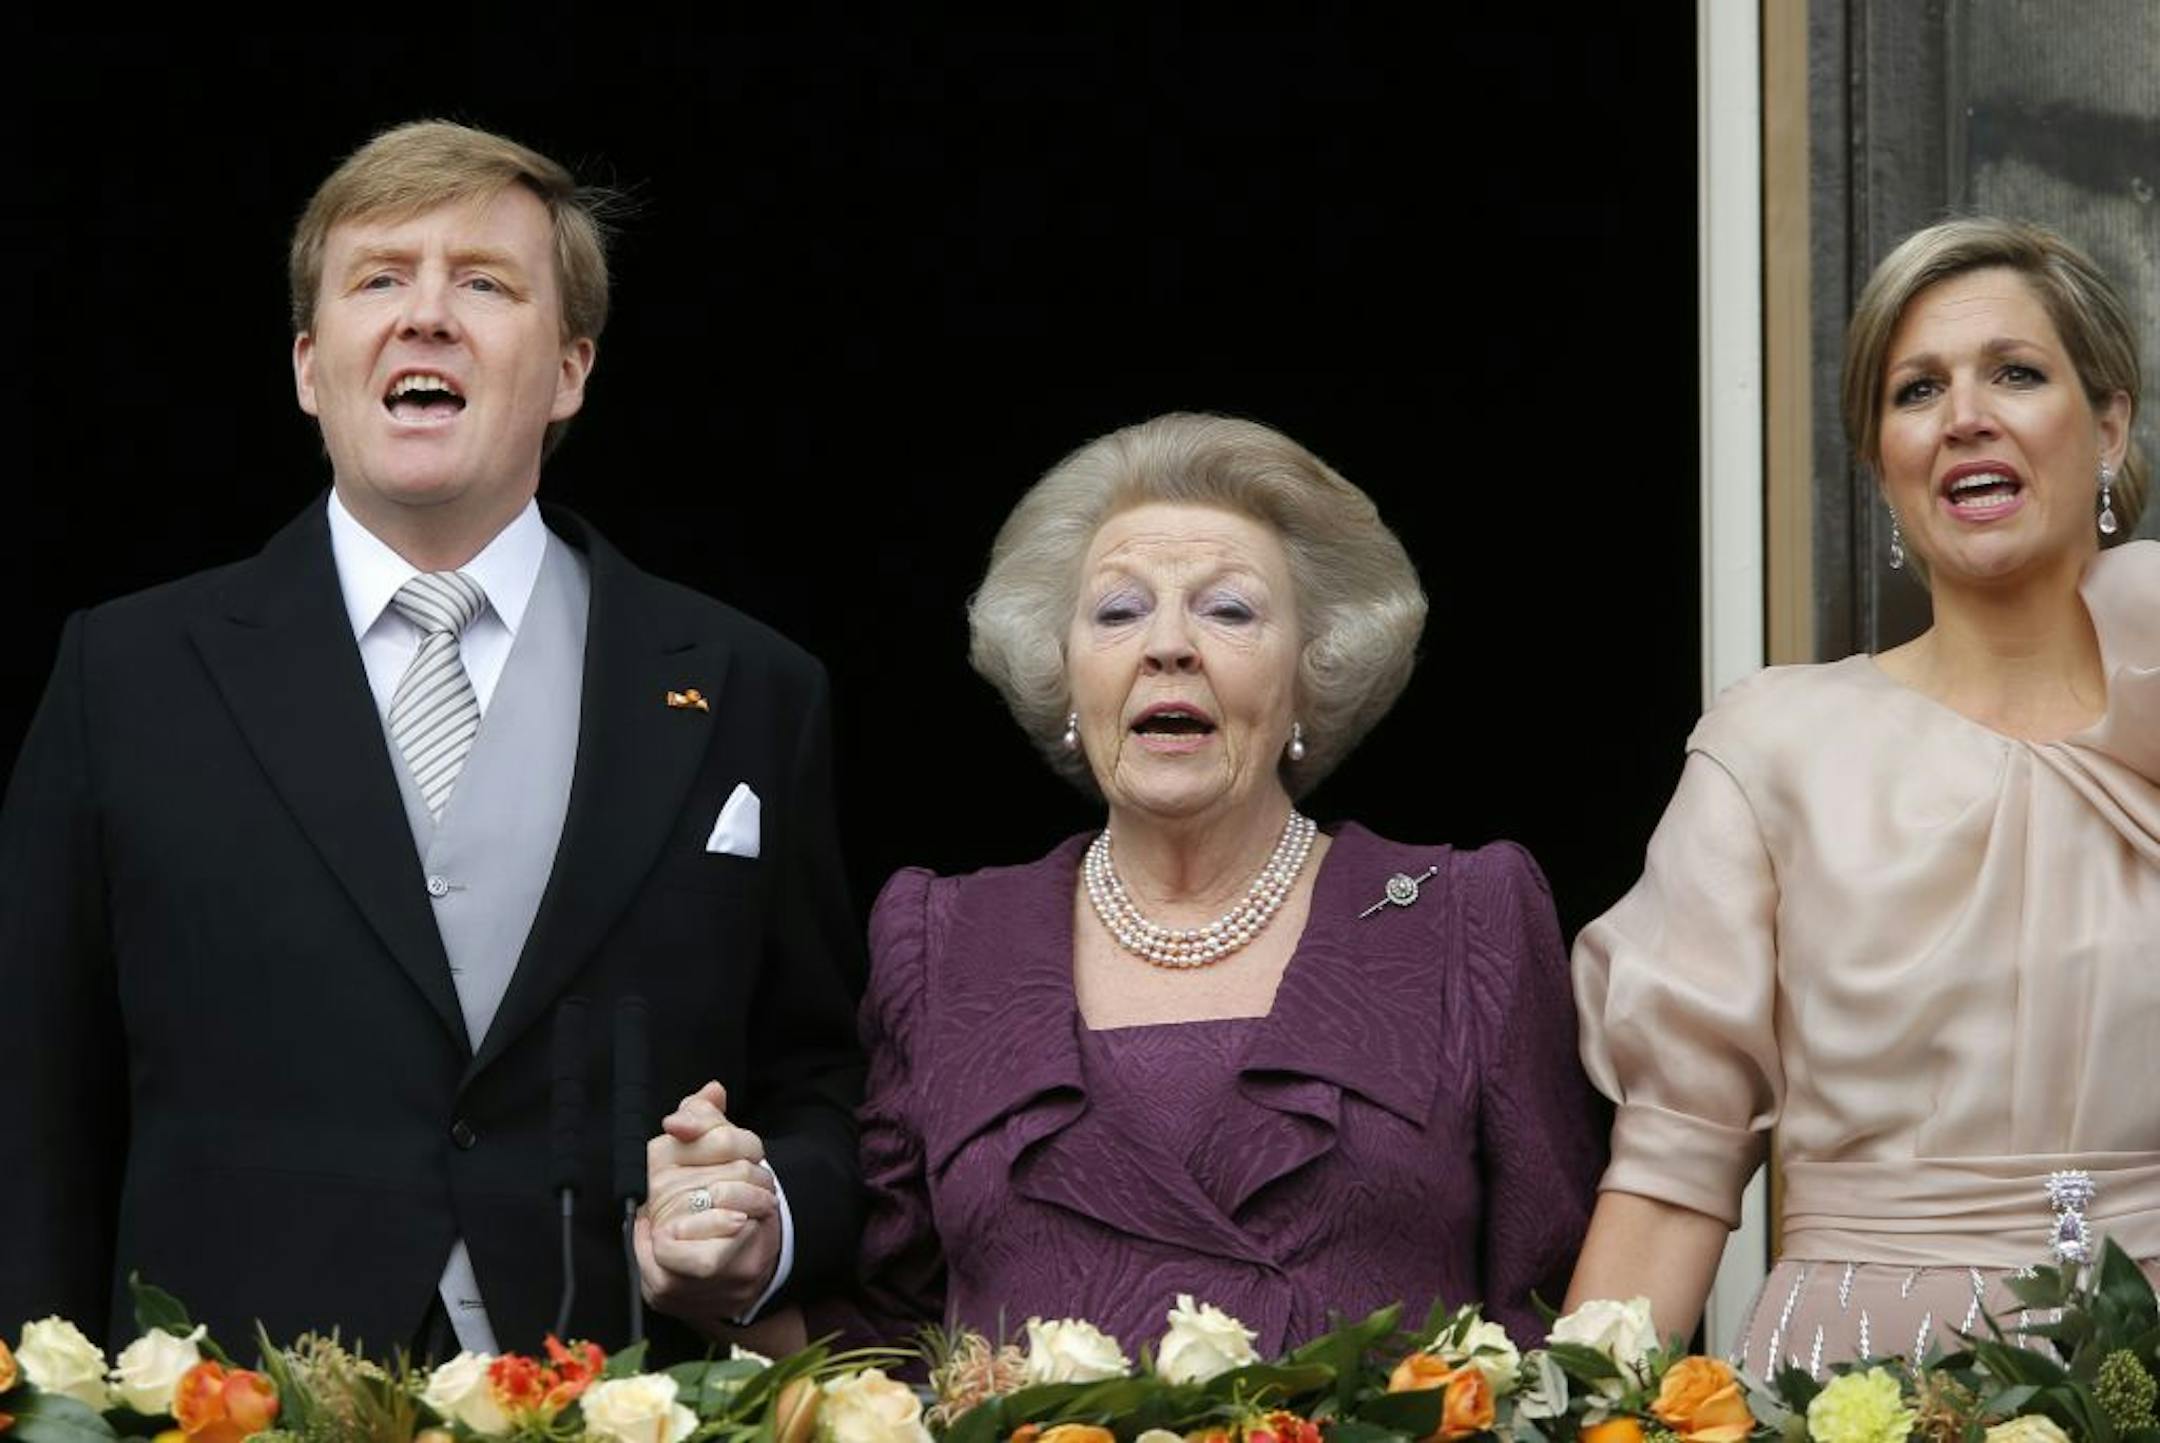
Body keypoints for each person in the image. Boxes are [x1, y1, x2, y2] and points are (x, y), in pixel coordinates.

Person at [0, 121, 864, 1362]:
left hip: (619, 1396)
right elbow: (32, 1103)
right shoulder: (124, 675)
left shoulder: (752, 688)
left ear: (569, 370)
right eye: (379, 279)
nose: (426, 316)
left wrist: (762, 1217)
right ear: (310, 367)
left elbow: (825, 1084)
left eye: (485, 283)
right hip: (224, 1403)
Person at [646, 412, 1606, 1352]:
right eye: (1118, 611)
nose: (1168, 645)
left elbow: (1553, 1319)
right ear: (1066, 674)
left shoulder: (1461, 915)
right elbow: (900, 1341)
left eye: (1229, 610)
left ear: (1312, 674)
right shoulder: (946, 940)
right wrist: (718, 1273)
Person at [1566, 217, 2159, 1370]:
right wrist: (1577, 1410)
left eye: (2016, 373)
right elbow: (1674, 1167)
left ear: (2109, 427)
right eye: (1916, 391)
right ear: (1883, 464)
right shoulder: (1774, 747)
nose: (1964, 417)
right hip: (1858, 1377)